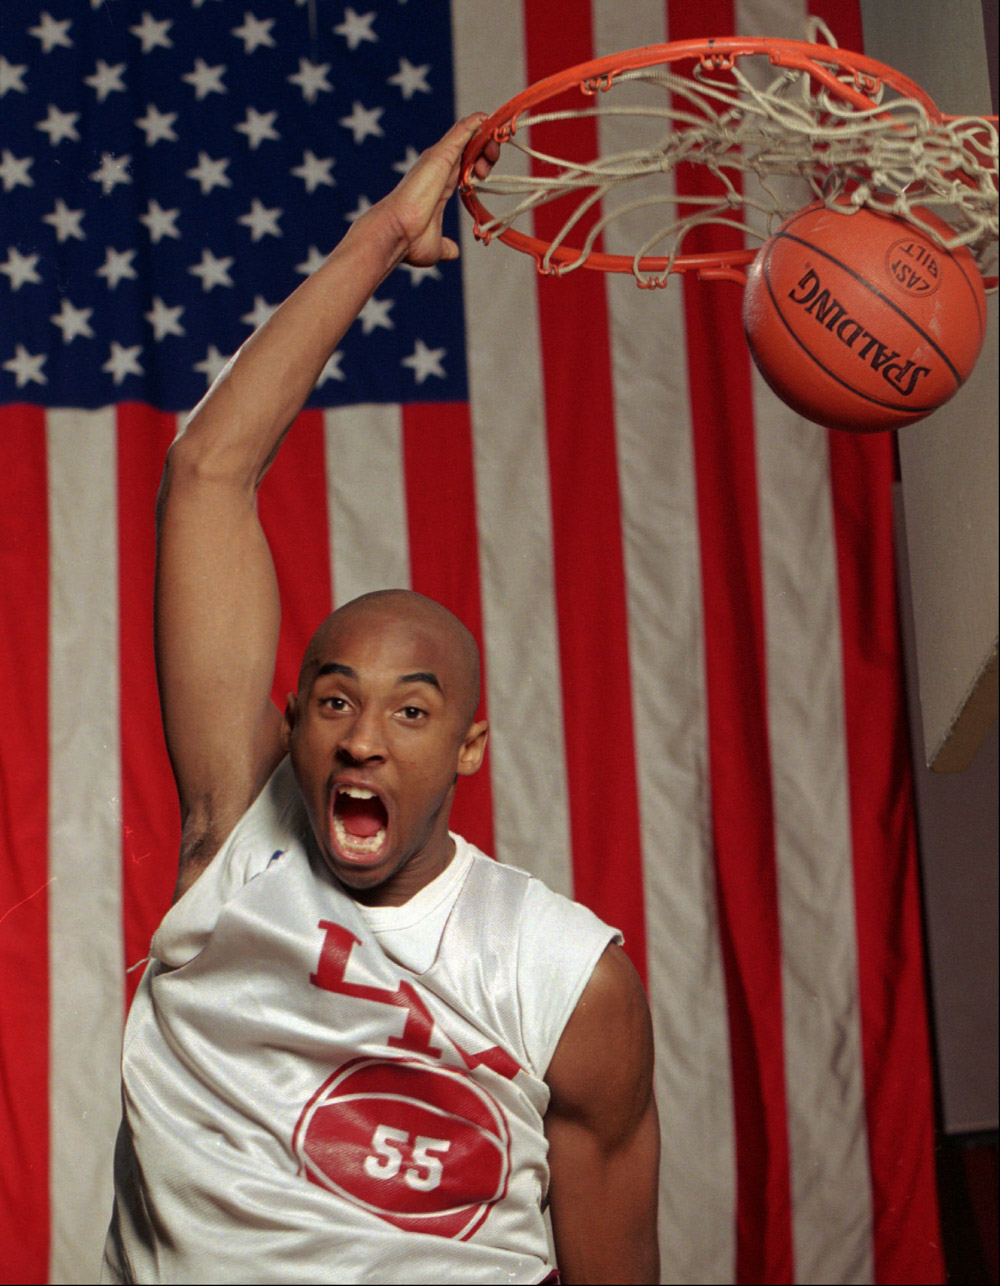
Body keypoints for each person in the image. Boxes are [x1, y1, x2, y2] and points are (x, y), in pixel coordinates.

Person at [102, 116, 660, 1285]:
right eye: (334, 701)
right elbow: (206, 474)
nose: (362, 734)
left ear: (467, 747)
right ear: (293, 721)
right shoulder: (238, 834)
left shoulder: (565, 974)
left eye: (411, 710)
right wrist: (382, 237)